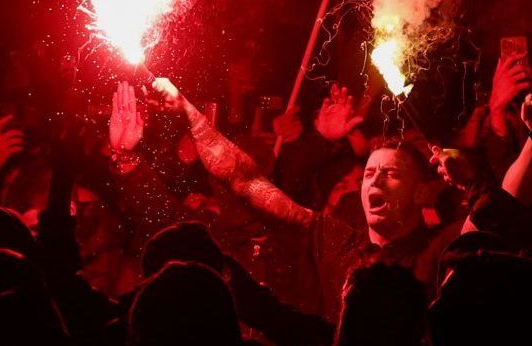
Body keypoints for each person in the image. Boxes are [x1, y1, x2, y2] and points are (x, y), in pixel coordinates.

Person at [151, 77, 467, 318]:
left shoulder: (443, 250)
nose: (375, 181)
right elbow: (245, 181)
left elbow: (505, 214)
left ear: (420, 191)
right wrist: (191, 115)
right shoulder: (336, 243)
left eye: (392, 174)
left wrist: (472, 180)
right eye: (369, 174)